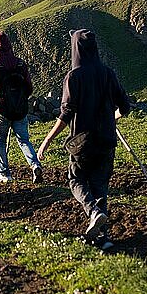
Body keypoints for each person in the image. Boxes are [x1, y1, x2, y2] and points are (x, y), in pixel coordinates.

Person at [37, 29, 131, 250]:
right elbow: (124, 106)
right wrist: (112, 117)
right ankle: (104, 238)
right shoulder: (108, 74)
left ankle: (94, 212)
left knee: (76, 180)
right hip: (107, 140)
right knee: (100, 186)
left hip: (82, 142)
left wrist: (47, 140)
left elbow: (67, 113)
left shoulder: (74, 77)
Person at [0, 32, 43, 184]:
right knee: (24, 140)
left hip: (1, 109)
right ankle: (35, 165)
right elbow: (29, 88)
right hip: (20, 109)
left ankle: (4, 173)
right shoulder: (21, 64)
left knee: (0, 141)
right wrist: (21, 99)